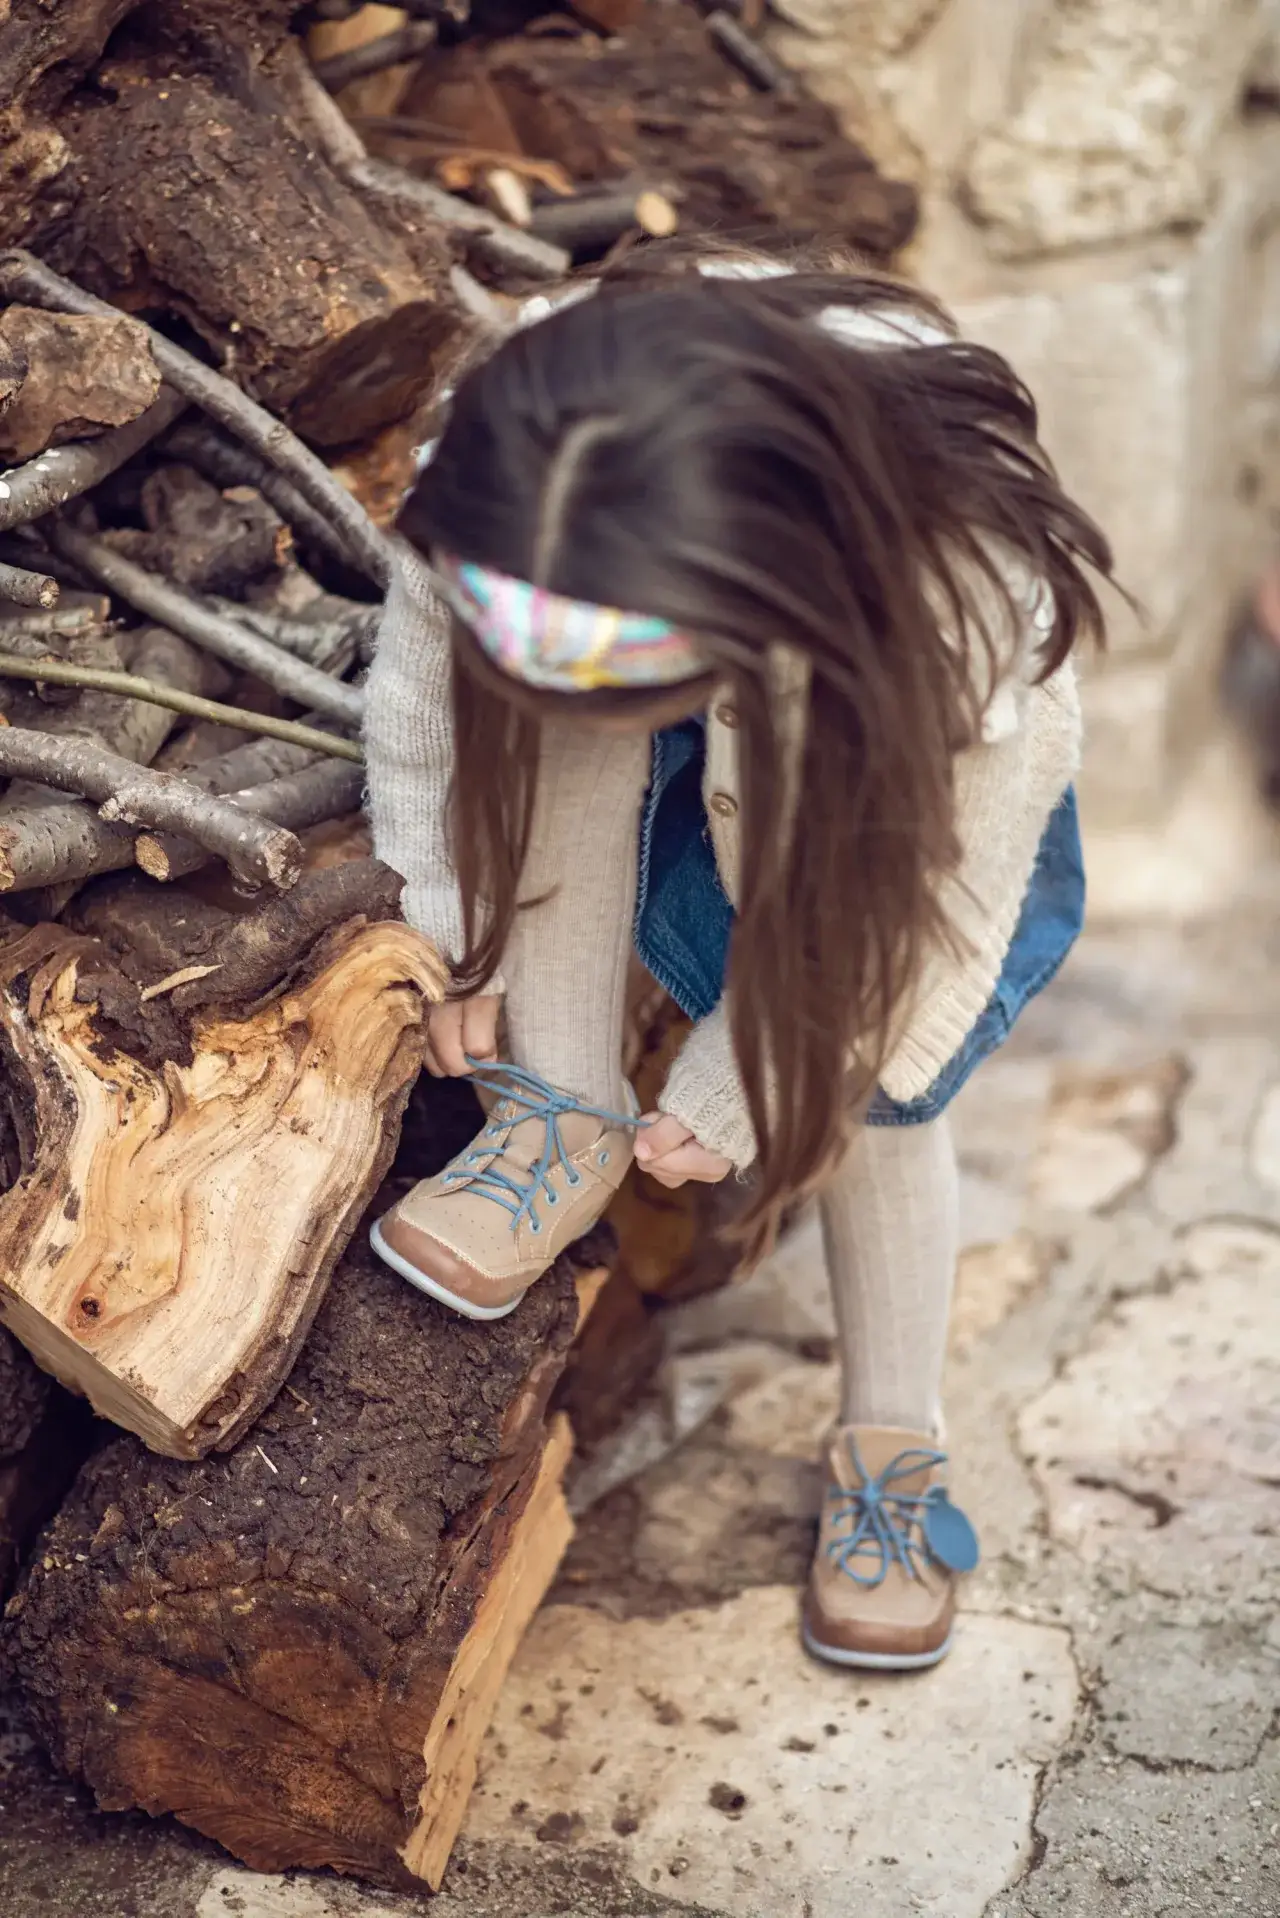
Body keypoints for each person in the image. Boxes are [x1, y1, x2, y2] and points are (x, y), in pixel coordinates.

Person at [363, 245, 1113, 1672]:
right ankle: (561, 1114)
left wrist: (753, 1076)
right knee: (547, 753)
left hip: (874, 802)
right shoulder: (520, 451)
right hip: (667, 627)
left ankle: (892, 1434)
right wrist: (450, 913)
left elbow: (920, 912)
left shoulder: (958, 587)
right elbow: (420, 704)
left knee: (881, 1102)